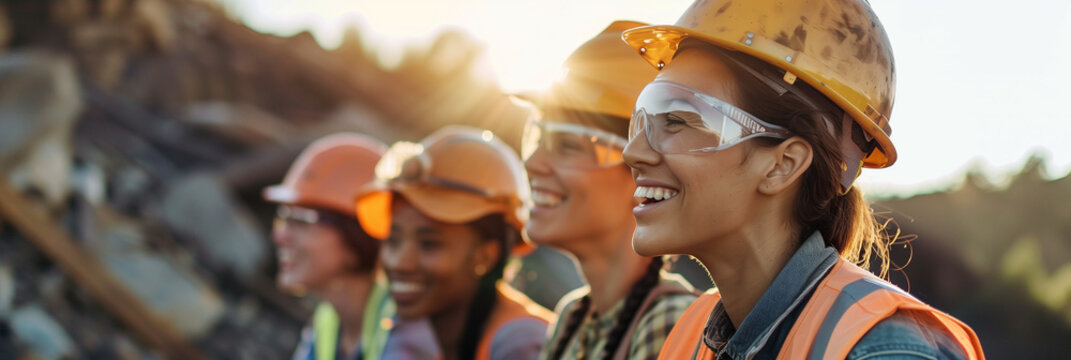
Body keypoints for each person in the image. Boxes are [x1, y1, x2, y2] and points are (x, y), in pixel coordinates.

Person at [618, 1, 986, 359]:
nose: (633, 153)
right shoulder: (692, 335)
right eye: (643, 118)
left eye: (679, 120)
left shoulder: (887, 348)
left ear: (783, 164)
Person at [519, 21, 698, 360]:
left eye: (568, 146)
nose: (532, 163)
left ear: (643, 170)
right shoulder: (572, 315)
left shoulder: (668, 324)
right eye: (536, 137)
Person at [355, 126, 553, 360]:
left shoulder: (522, 343)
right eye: (393, 240)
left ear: (485, 256)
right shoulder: (420, 337)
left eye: (429, 244)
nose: (399, 262)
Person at [264, 134, 438, 360]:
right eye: (284, 218)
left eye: (302, 221)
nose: (280, 236)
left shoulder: (408, 328)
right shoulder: (329, 323)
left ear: (359, 234)